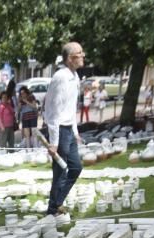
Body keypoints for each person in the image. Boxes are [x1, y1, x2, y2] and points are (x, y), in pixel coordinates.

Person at [43, 41, 86, 223]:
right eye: (79, 53)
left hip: (68, 129)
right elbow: (53, 110)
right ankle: (53, 210)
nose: (83, 56)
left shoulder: (74, 77)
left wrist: (75, 132)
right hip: (59, 130)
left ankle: (57, 202)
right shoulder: (60, 77)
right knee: (60, 172)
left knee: (76, 167)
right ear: (70, 58)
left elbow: (70, 108)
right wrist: (53, 141)